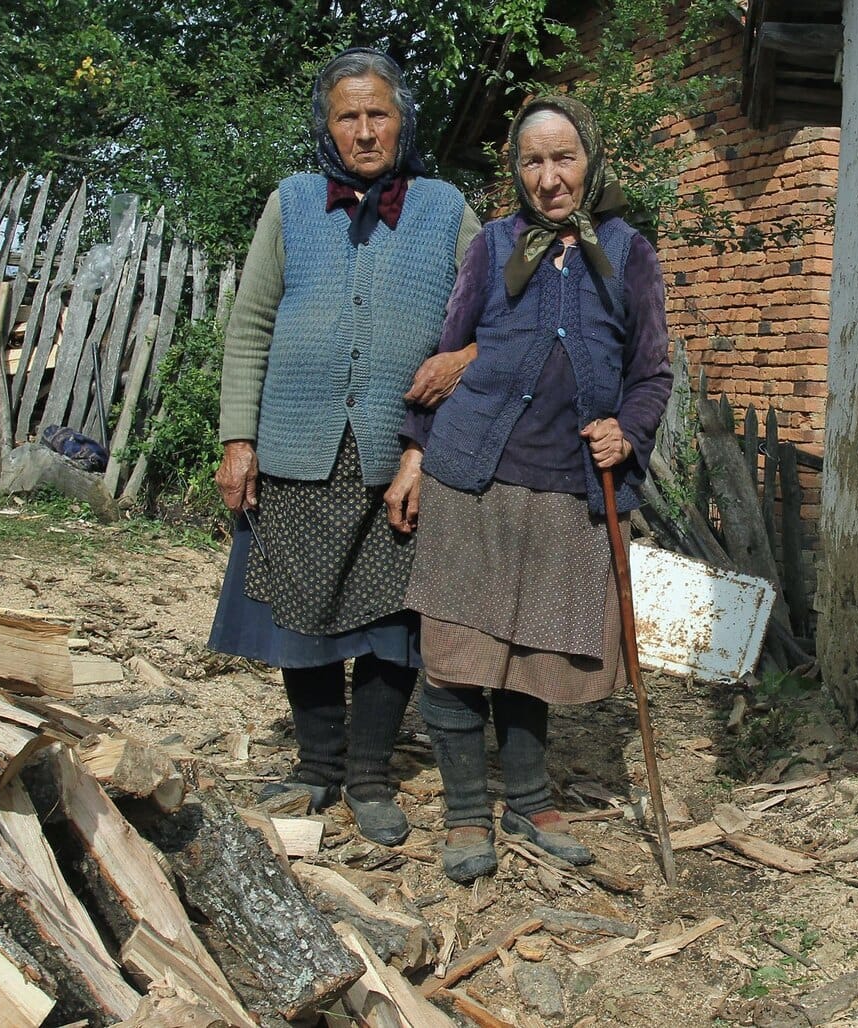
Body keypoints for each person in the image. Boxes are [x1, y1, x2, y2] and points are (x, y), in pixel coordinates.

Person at [390, 94, 672, 882]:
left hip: (567, 486)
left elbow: (651, 373)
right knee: (456, 651)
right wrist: (414, 456)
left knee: (532, 652)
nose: (550, 179)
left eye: (564, 159)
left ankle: (529, 800)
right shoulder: (492, 248)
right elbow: (447, 356)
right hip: (471, 476)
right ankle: (466, 813)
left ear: (592, 160)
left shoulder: (627, 251)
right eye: (533, 162)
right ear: (516, 172)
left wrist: (629, 431)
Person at [208, 48, 480, 846]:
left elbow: (490, 321)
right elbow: (251, 326)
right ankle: (315, 768)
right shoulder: (291, 203)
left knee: (391, 628)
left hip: (398, 457)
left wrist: (460, 366)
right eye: (348, 116)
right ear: (327, 128)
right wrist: (238, 437)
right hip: (299, 448)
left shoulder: (443, 207)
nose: (365, 132)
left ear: (404, 121)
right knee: (306, 615)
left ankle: (369, 776)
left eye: (379, 114)